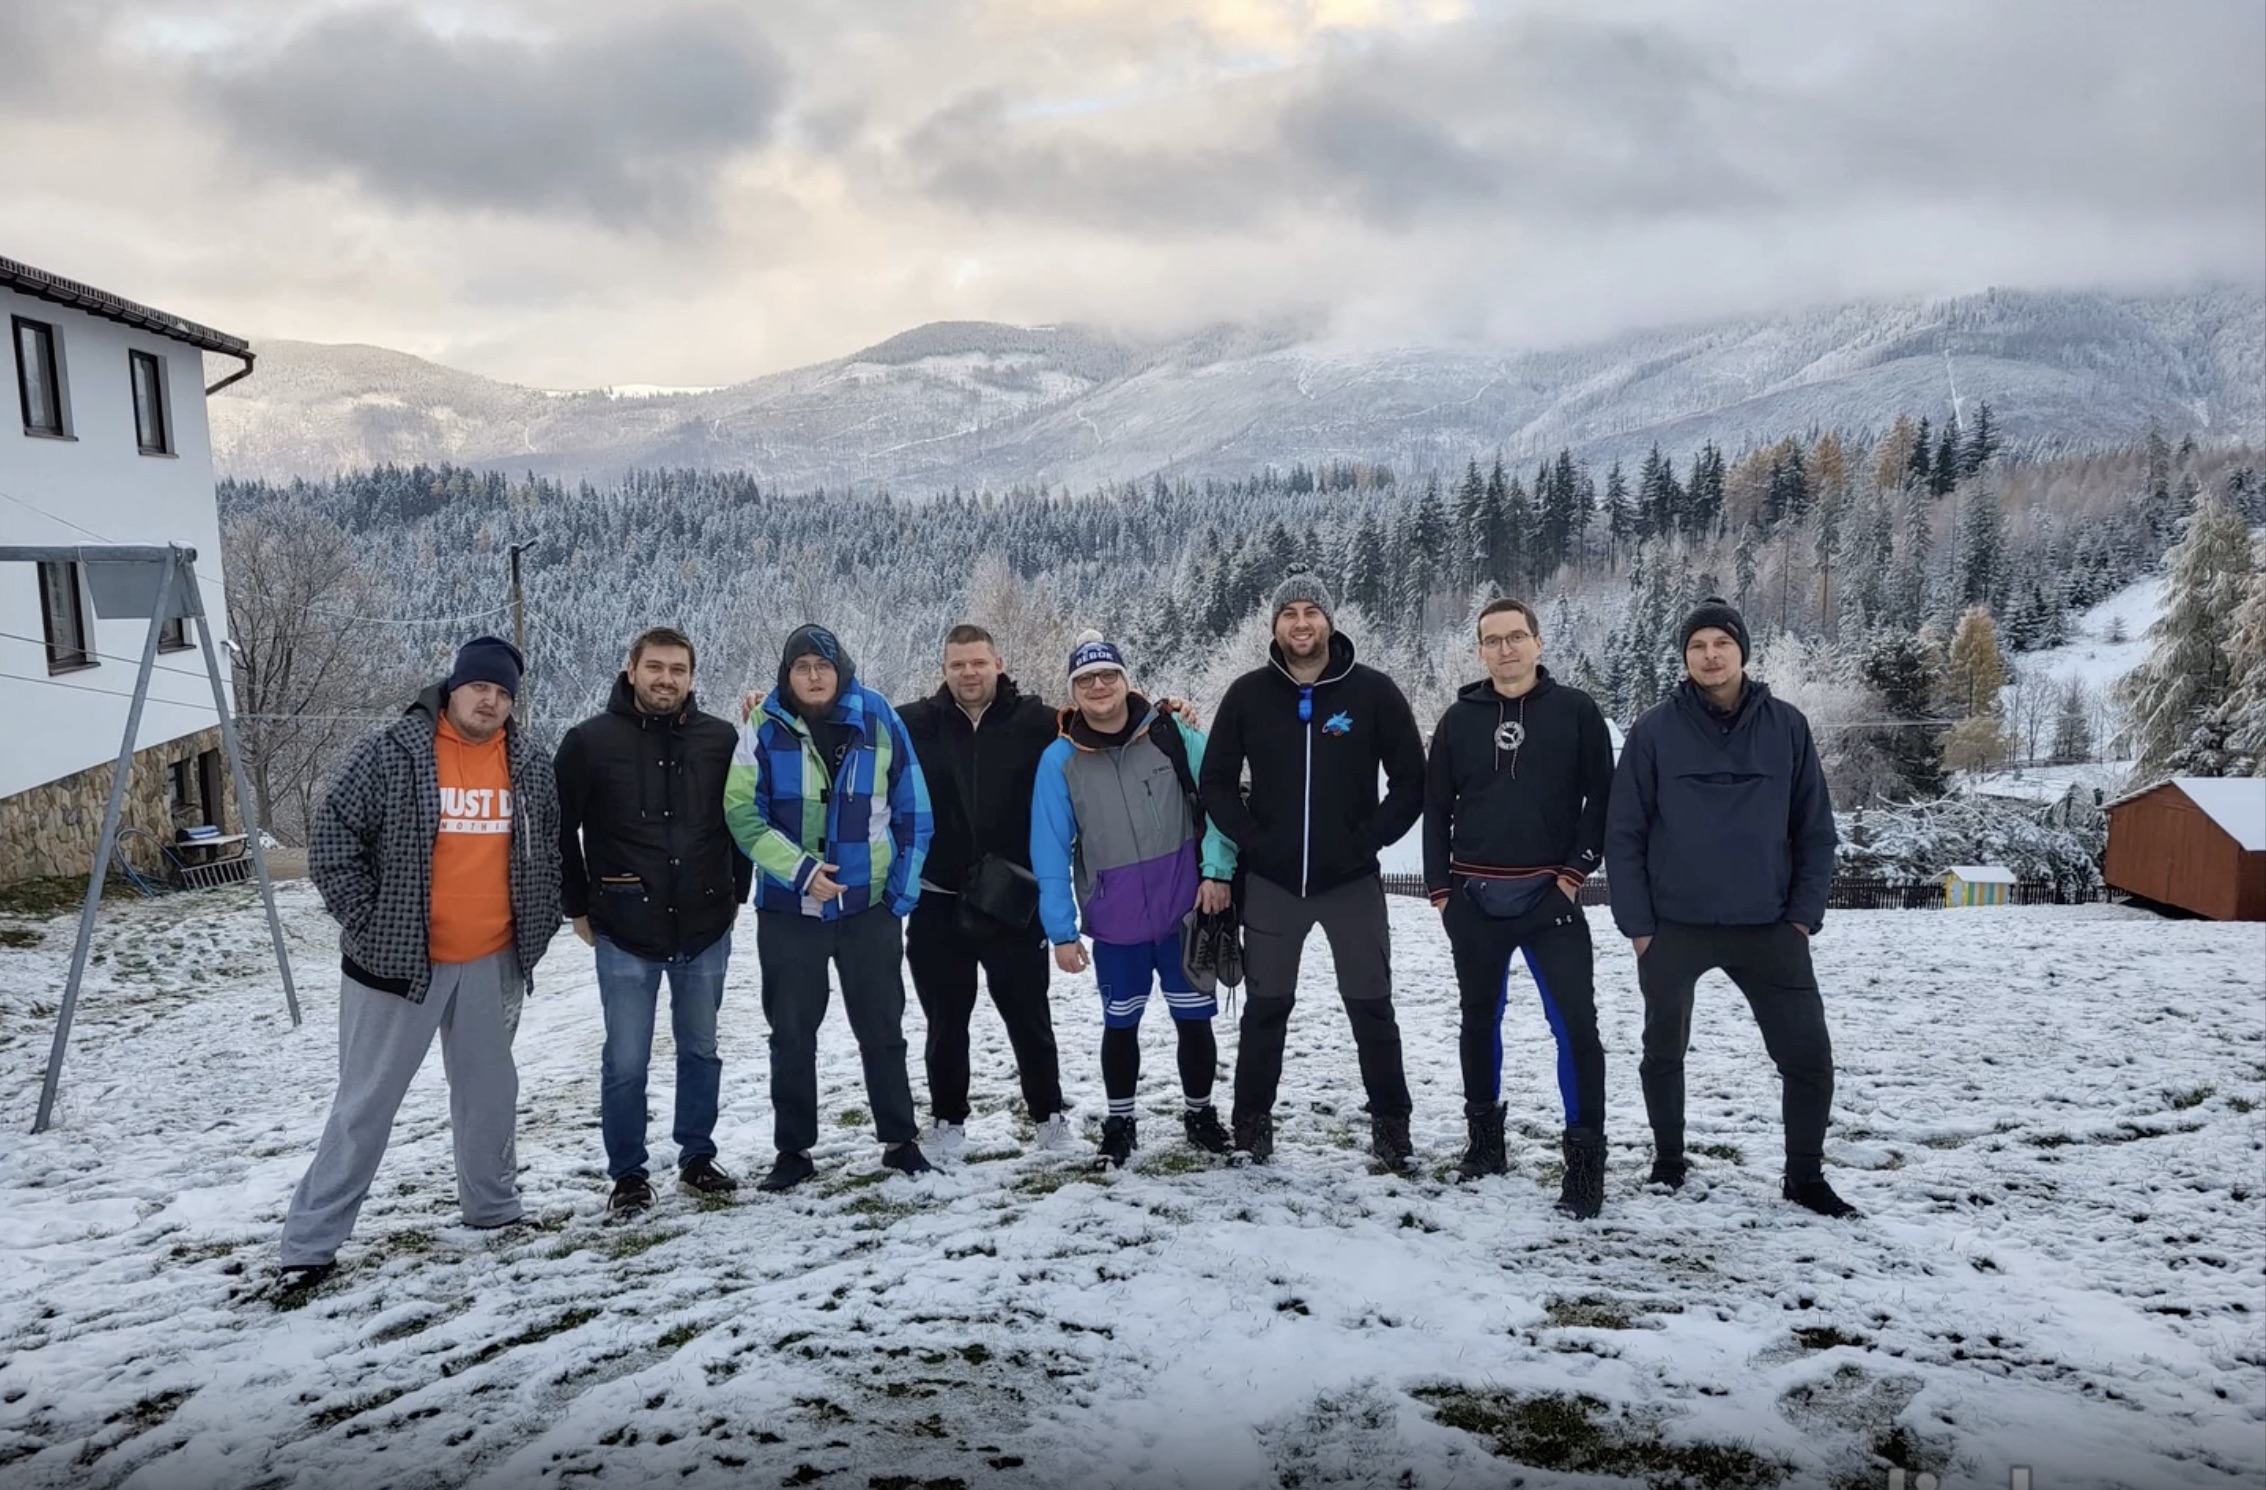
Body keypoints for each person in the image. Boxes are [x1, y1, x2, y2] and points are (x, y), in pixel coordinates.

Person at [281, 636, 562, 1287]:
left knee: (490, 1095)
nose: (489, 700)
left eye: (502, 692)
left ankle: (492, 1209)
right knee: (365, 1107)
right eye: (479, 687)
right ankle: (308, 1245)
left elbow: (545, 853)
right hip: (397, 967)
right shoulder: (392, 753)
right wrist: (374, 924)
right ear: (454, 686)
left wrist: (536, 932)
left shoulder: (530, 766)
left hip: (492, 963)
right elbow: (332, 844)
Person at [1605, 598, 1858, 1218]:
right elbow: (1625, 833)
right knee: (1663, 1050)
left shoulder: (1788, 728)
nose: (1710, 655)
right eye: (1697, 646)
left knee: (1808, 1056)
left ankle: (1804, 1177)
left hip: (1769, 928)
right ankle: (1668, 1162)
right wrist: (1639, 928)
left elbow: (1815, 832)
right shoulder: (1654, 731)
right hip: (1674, 929)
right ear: (1684, 657)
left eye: (1721, 643)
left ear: (1742, 650)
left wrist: (1801, 918)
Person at [1198, 575, 1427, 1167]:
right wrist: (1252, 841)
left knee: (1371, 1005)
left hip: (1350, 883)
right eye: (1289, 614)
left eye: (1311, 612)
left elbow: (1411, 782)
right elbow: (1216, 783)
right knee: (1266, 1008)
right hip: (1273, 886)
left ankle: (1392, 1124)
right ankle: (1250, 1124)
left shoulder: (1373, 693)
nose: (1301, 623)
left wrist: (1369, 839)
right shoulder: (1248, 694)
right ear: (1274, 626)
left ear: (1330, 620)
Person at [1422, 598, 1614, 1213]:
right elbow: (1436, 810)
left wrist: (1572, 874)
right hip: (1473, 898)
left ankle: (1584, 1167)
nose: (1505, 649)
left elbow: (1603, 800)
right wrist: (1442, 892)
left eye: (1515, 637)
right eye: (1492, 639)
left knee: (1576, 1028)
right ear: (1479, 650)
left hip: (1549, 899)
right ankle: (1485, 1145)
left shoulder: (1577, 711)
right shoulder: (1457, 719)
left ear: (1537, 641)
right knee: (1479, 1022)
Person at [726, 624, 934, 1191]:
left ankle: (899, 1139)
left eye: (823, 665)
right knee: (791, 1032)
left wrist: (900, 895)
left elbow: (913, 807)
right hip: (789, 912)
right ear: (786, 674)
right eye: (801, 667)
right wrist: (799, 874)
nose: (813, 676)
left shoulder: (877, 716)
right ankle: (793, 1151)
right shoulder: (764, 726)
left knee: (882, 1025)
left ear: (841, 668)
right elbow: (743, 814)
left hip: (870, 908)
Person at [555, 626, 754, 1217]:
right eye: (656, 668)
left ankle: (697, 1157)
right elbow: (560, 831)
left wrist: (737, 891)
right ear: (632, 669)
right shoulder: (588, 743)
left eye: (678, 670)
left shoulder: (721, 740)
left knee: (701, 1050)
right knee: (625, 1061)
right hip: (624, 928)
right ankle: (629, 1175)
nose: (667, 679)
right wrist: (576, 905)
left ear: (692, 677)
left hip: (705, 924)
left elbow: (743, 817)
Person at [1032, 631, 1237, 1168]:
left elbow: (1218, 802)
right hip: (1115, 920)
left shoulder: (1172, 733)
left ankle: (1200, 1115)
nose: (1099, 686)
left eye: (1108, 675)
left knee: (1195, 1020)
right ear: (1073, 692)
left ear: (1127, 680)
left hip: (1185, 911)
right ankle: (1121, 1121)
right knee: (1119, 1022)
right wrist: (1060, 929)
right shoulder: (1059, 761)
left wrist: (1216, 872)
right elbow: (1049, 848)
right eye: (1086, 679)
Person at [896, 625, 1073, 1155]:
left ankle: (1049, 1116)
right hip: (937, 898)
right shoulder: (911, 724)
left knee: (1028, 1014)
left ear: (999, 662)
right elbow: (841, 723)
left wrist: (1172, 712)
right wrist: (764, 707)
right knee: (944, 1019)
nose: (968, 673)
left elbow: (1107, 718)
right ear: (943, 668)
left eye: (977, 663)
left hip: (1013, 901)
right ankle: (948, 1121)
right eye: (957, 665)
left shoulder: (1039, 722)